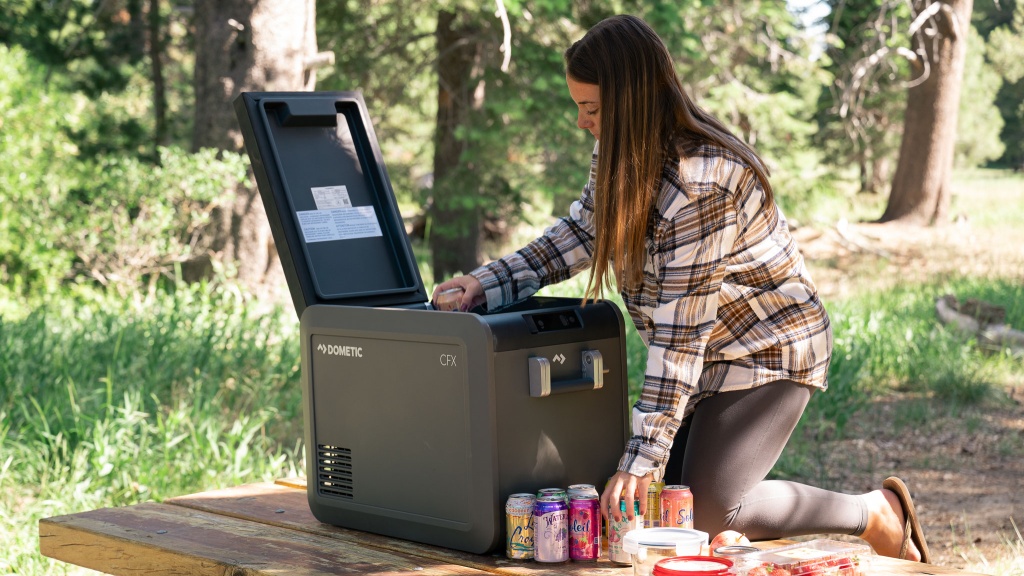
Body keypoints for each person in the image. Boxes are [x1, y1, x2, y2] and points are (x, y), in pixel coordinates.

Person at [431, 14, 930, 564]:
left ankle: (874, 512)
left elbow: (679, 338)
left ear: (632, 101)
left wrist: (642, 457)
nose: (581, 123)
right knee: (659, 509)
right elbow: (580, 232)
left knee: (711, 509)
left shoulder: (703, 184)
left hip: (768, 351)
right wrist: (486, 284)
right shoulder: (621, 151)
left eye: (591, 109)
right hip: (707, 357)